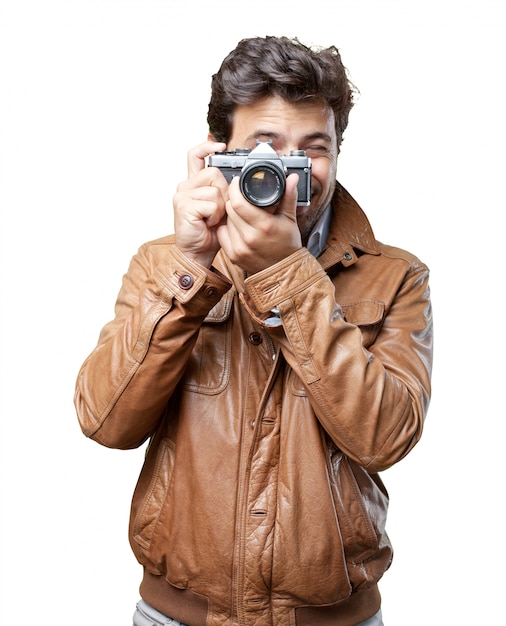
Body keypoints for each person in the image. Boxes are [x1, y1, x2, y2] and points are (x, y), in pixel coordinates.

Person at [74, 35, 433, 626]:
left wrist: (288, 277)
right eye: (265, 150)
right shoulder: (165, 264)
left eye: (313, 150)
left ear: (338, 152)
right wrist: (191, 269)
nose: (288, 175)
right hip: (177, 614)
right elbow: (105, 422)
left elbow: (386, 438)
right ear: (218, 156)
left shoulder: (396, 277)